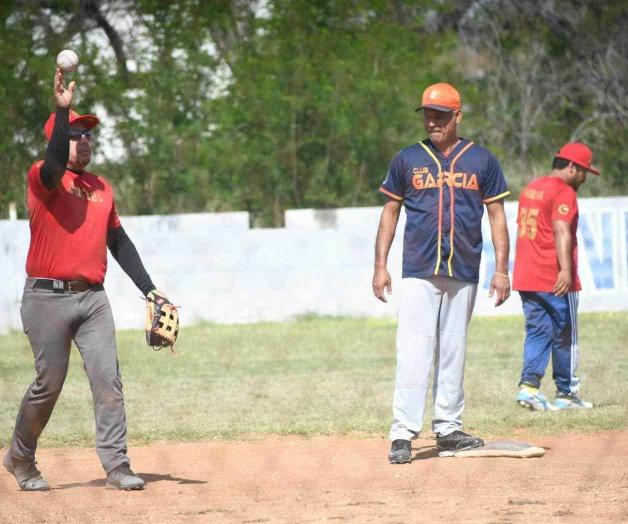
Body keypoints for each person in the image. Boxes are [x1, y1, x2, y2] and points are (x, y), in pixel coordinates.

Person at [3, 67, 172, 491]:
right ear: (59, 140)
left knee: (107, 381)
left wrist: (148, 288)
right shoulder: (43, 177)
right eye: (77, 134)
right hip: (45, 298)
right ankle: (21, 458)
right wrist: (61, 112)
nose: (85, 140)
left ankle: (117, 466)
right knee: (49, 384)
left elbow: (119, 241)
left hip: (92, 300)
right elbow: (55, 158)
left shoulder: (102, 188)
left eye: (88, 135)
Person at [373, 83, 511, 464]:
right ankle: (402, 433)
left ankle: (448, 428)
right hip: (419, 268)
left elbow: (497, 216)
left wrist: (502, 270)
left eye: (440, 114)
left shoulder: (481, 160)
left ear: (457, 116)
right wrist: (380, 266)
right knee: (414, 348)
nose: (432, 121)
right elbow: (390, 212)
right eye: (428, 114)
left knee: (453, 349)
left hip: (464, 267)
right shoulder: (408, 159)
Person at [512, 143, 599, 411]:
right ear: (572, 167)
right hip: (553, 277)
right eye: (583, 171)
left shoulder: (532, 187)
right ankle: (567, 392)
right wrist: (565, 271)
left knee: (538, 331)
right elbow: (561, 230)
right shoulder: (564, 191)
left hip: (527, 274)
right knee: (566, 334)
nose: (584, 178)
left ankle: (529, 389)